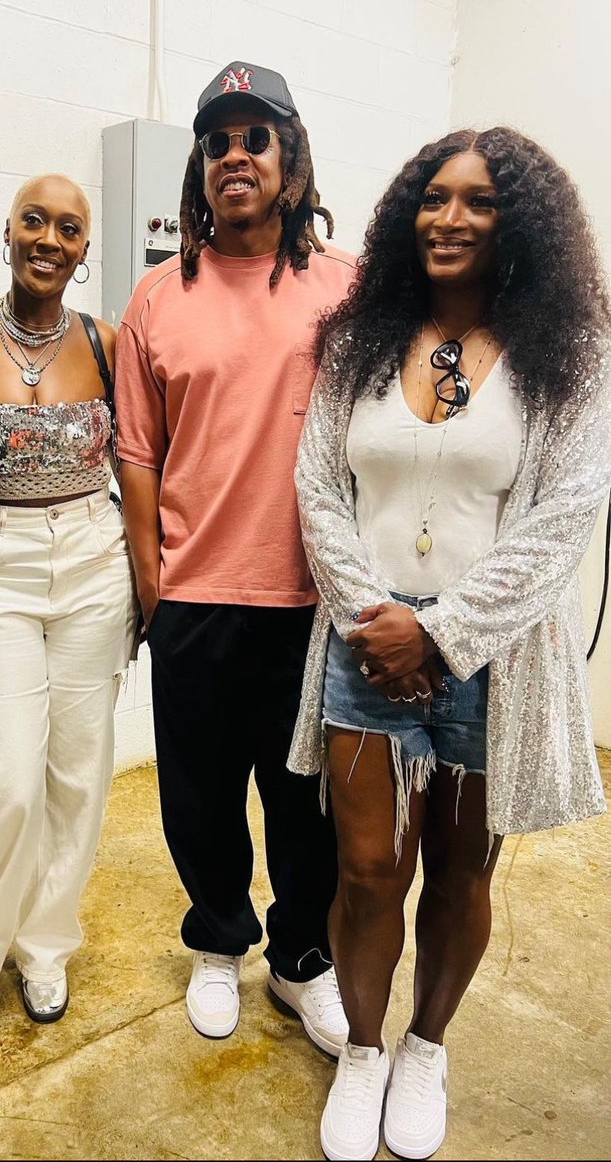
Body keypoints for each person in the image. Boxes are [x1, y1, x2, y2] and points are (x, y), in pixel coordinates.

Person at [288, 127, 611, 1161]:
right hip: (362, 640)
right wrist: (368, 615)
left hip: (495, 659)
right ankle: (366, 1051)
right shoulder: (359, 340)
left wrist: (444, 632)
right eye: (434, 196)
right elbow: (316, 487)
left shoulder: (570, 355)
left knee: (464, 872)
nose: (451, 217)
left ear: (518, 224)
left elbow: (566, 516)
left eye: (478, 200)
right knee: (370, 871)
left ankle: (428, 1046)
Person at [116, 61, 353, 1049]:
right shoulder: (157, 296)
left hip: (311, 597)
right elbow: (136, 451)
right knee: (200, 795)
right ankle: (219, 942)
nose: (236, 156)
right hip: (199, 592)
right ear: (200, 167)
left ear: (290, 161)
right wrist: (152, 589)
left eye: (257, 138)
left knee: (306, 802)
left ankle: (302, 959)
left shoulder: (348, 287)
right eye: (218, 142)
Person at [0, 173, 138, 1043]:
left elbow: (141, 459)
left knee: (77, 776)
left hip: (95, 561)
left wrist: (150, 578)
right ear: (8, 231)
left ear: (86, 251)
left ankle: (46, 948)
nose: (49, 239)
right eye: (34, 221)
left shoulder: (109, 340)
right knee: (6, 782)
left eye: (68, 228)